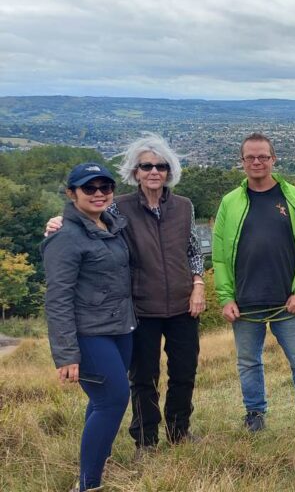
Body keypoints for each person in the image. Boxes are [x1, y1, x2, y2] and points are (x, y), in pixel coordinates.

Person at [45, 133, 207, 456]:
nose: (154, 172)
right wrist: (57, 223)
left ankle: (179, 431)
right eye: (146, 166)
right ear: (135, 172)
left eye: (160, 166)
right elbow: (86, 223)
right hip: (140, 308)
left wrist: (199, 285)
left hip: (183, 304)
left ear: (169, 170)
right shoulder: (117, 208)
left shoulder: (184, 207)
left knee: (184, 372)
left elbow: (194, 251)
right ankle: (146, 440)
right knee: (143, 378)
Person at [213, 133, 295, 435]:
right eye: (250, 157)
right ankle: (255, 415)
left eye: (263, 156)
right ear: (242, 162)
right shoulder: (230, 203)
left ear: (273, 159)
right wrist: (225, 297)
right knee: (248, 362)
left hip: (288, 300)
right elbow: (220, 256)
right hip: (245, 302)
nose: (257, 162)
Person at [43, 162, 136, 492]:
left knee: (102, 402)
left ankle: (90, 471)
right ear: (71, 194)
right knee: (113, 399)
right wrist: (67, 354)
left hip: (120, 328)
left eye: (105, 187)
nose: (99, 193)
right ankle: (89, 485)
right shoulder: (65, 237)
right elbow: (57, 298)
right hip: (89, 333)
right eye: (89, 188)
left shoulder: (113, 224)